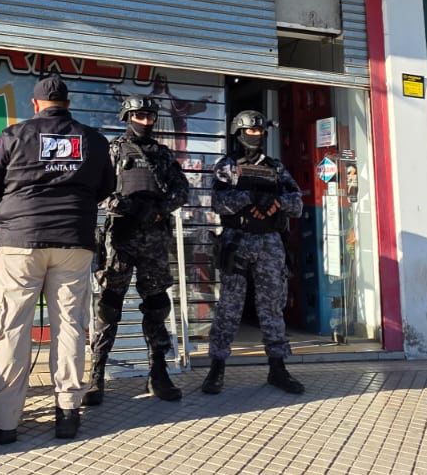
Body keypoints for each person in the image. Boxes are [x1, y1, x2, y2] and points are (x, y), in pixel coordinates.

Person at [0, 74, 113, 442]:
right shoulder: (94, 140)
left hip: (21, 243)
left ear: (35, 104)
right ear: (68, 104)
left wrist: (11, 215)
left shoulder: (14, 135)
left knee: (13, 327)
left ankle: (4, 422)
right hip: (74, 243)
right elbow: (106, 187)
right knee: (70, 325)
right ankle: (67, 413)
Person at [84, 95, 190, 407]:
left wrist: (160, 209)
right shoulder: (113, 150)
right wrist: (125, 206)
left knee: (157, 306)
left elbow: (182, 189)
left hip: (154, 241)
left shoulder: (162, 154)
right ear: (127, 117)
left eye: (149, 116)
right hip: (120, 238)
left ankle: (158, 372)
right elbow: (97, 190)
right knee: (108, 307)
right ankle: (96, 375)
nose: (145, 121)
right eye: (139, 115)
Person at [201, 111, 304, 396]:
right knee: (229, 306)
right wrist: (250, 197)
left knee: (272, 306)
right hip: (237, 241)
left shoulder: (276, 167)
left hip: (269, 242)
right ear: (238, 133)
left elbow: (297, 203)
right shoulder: (227, 166)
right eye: (251, 131)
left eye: (260, 132)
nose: (256, 136)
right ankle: (216, 367)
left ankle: (277, 368)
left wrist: (275, 202)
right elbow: (218, 202)